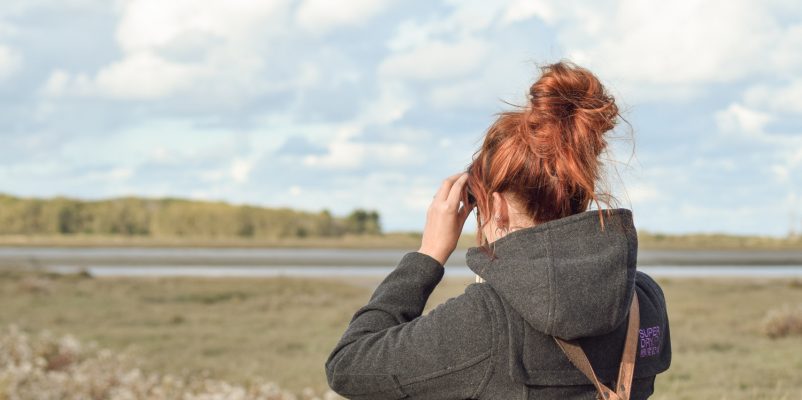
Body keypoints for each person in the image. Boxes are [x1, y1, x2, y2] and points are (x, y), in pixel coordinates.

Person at [324, 60, 671, 399]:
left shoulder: (485, 320)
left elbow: (349, 365)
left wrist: (427, 256)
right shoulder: (644, 300)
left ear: (499, 206)